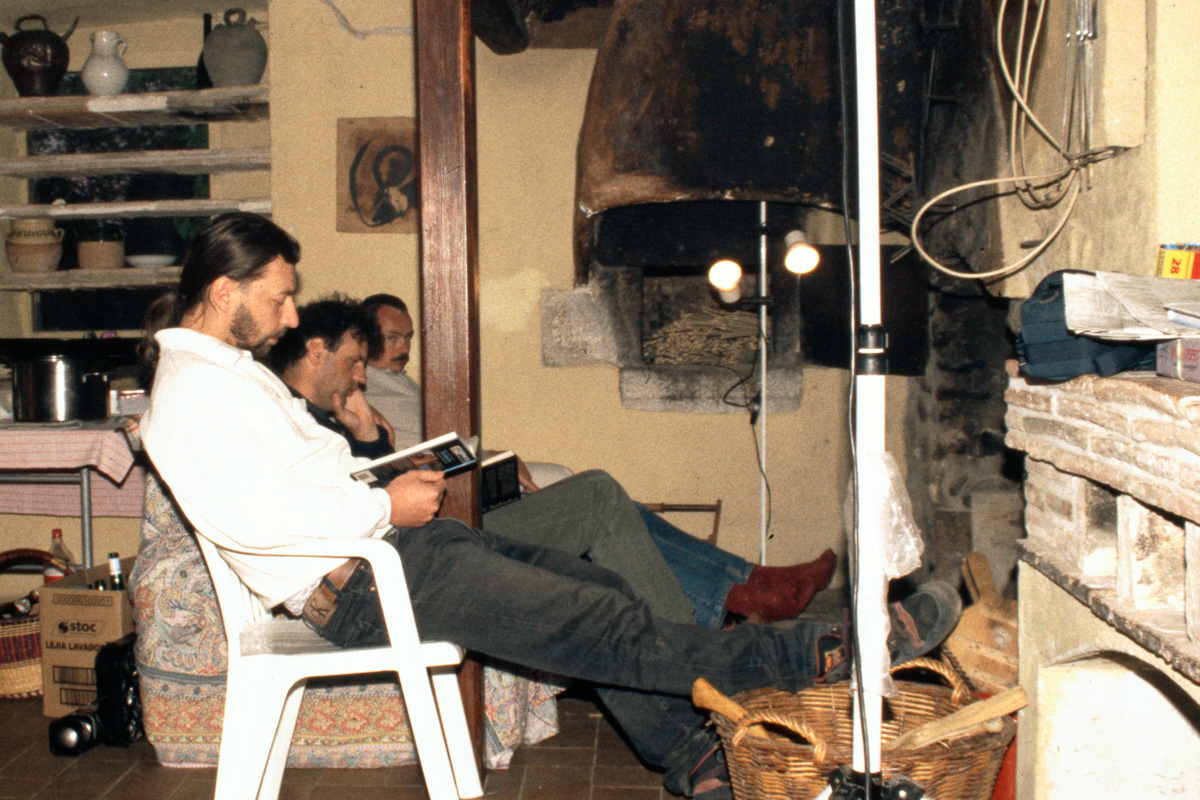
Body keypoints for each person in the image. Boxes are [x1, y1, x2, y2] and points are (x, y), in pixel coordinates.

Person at [139, 213, 959, 800]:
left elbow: (296, 483)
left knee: (603, 590)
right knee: (602, 624)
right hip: (365, 586)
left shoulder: (225, 374)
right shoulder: (192, 395)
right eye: (280, 297)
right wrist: (383, 503)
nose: (290, 315)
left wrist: (381, 484)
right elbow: (260, 521)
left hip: (391, 559)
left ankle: (691, 758)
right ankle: (823, 653)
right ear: (224, 289)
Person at [361, 292, 838, 626]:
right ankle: (736, 600)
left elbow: (438, 446)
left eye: (409, 337)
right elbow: (409, 462)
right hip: (447, 523)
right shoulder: (367, 393)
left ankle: (754, 581)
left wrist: (493, 458)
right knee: (599, 494)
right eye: (392, 337)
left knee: (624, 511)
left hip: (467, 500)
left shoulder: (397, 384)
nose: (404, 348)